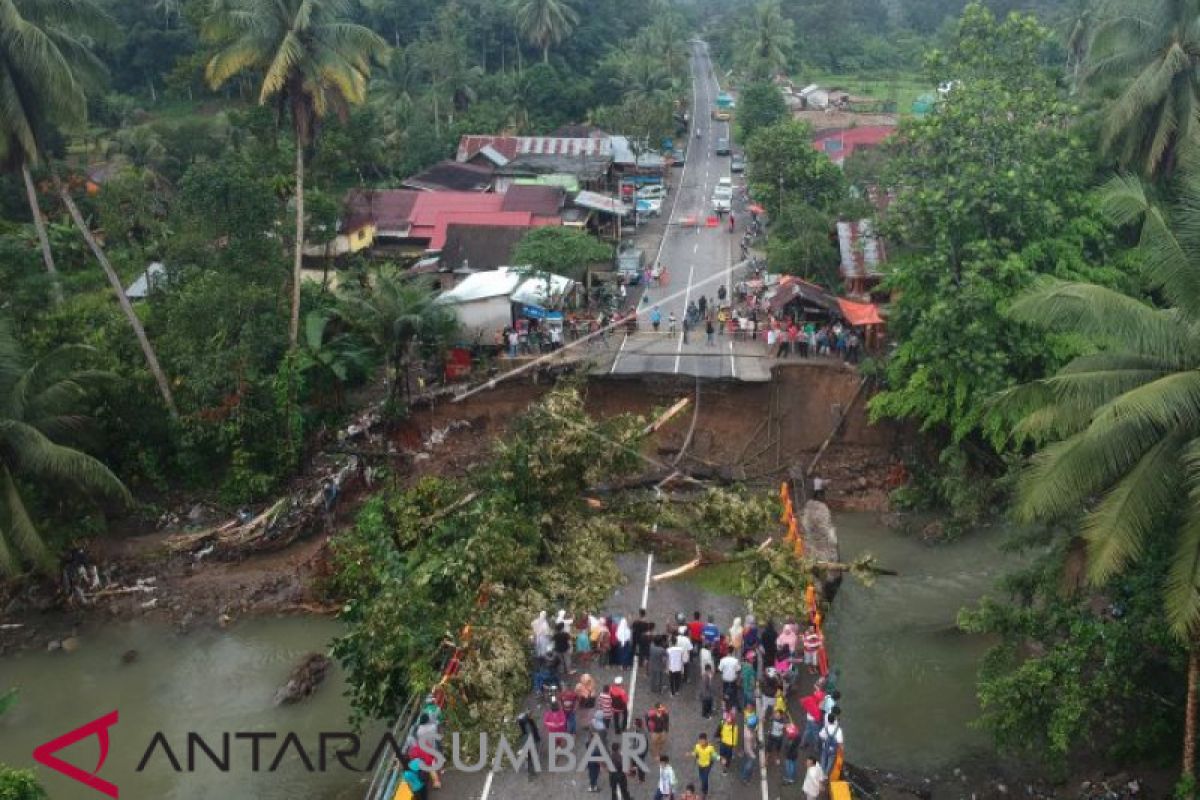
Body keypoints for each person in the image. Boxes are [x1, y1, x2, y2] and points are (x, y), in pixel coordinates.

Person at [692, 733, 717, 797]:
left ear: (706, 740)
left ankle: (705, 791)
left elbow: (714, 755)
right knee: (701, 777)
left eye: (703, 741)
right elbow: (695, 753)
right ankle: (703, 786)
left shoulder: (710, 748)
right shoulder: (697, 746)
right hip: (700, 765)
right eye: (700, 741)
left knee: (705, 779)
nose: (701, 742)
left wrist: (720, 759)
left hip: (707, 766)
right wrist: (690, 754)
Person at [818, 711, 843, 776]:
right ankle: (826, 774)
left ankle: (821, 774)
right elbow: (840, 742)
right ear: (834, 720)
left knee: (823, 760)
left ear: (828, 720)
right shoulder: (838, 730)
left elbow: (820, 735)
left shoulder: (825, 728)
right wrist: (841, 750)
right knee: (830, 762)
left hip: (825, 747)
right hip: (833, 749)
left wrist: (825, 740)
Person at [629, 718, 649, 783]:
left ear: (637, 725)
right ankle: (633, 772)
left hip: (640, 752)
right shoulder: (637, 731)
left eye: (634, 724)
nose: (633, 725)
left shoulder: (641, 734)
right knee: (633, 761)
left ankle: (641, 779)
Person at [739, 714, 758, 783]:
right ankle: (744, 778)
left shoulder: (747, 728)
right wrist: (753, 756)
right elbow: (748, 748)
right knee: (748, 765)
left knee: (746, 762)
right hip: (749, 751)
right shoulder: (749, 735)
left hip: (748, 747)